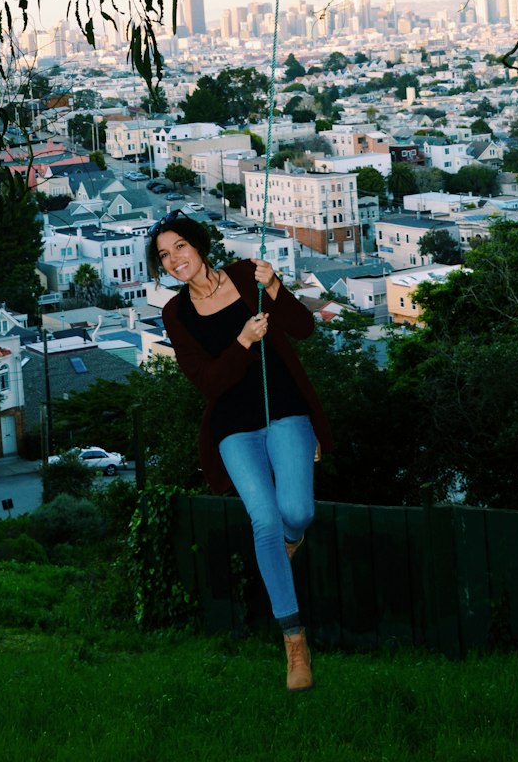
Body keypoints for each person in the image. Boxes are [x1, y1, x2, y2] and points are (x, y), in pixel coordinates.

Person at [147, 211, 331, 692]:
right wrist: (244, 341)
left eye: (180, 247)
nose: (174, 260)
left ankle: (291, 537)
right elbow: (208, 382)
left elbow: (303, 328)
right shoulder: (176, 314)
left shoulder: (249, 273)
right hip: (233, 427)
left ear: (200, 245)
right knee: (264, 522)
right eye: (165, 255)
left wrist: (275, 288)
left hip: (285, 410)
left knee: (296, 512)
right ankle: (295, 645)